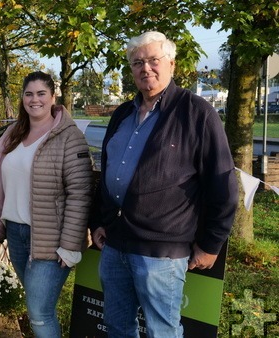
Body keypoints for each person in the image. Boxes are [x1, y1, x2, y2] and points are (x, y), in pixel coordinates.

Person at [89, 31, 238, 337]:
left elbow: (222, 187)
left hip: (161, 254)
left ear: (172, 63)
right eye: (137, 62)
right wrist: (99, 220)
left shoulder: (198, 113)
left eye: (154, 60)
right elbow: (107, 173)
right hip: (115, 246)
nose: (146, 68)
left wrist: (211, 244)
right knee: (117, 328)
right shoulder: (122, 114)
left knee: (161, 332)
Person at [0, 71, 93, 338]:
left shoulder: (69, 137)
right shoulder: (14, 133)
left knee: (39, 313)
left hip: (51, 239)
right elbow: (0, 174)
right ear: (22, 98)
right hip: (17, 234)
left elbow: (80, 193)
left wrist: (69, 246)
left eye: (41, 93)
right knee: (39, 311)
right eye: (29, 94)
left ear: (53, 97)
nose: (35, 100)